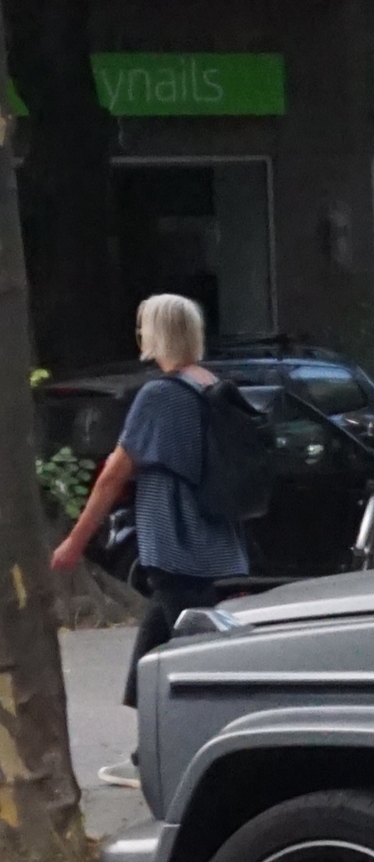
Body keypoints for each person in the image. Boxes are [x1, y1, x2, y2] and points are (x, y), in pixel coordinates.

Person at [50, 294, 252, 788]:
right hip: (219, 542)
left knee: (179, 658)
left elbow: (114, 474)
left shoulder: (159, 396)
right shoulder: (214, 386)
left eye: (143, 327)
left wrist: (76, 541)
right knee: (156, 644)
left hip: (176, 543)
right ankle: (148, 758)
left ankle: (171, 761)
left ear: (157, 334)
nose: (139, 336)